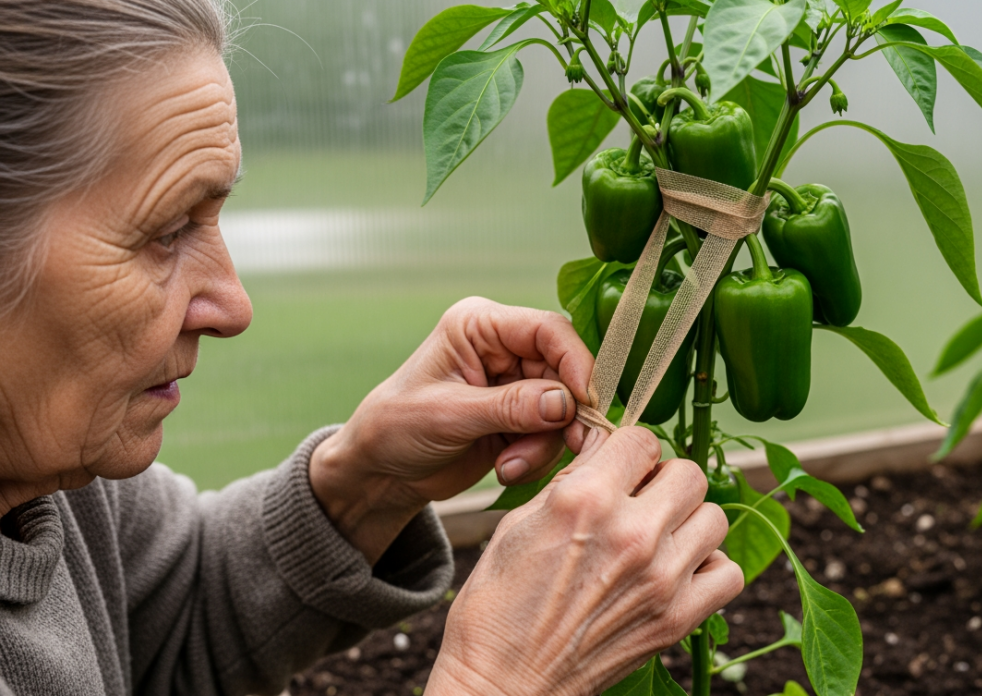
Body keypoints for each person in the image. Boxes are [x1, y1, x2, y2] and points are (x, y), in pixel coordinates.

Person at [0, 1, 744, 694]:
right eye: (165, 232)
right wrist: (495, 678)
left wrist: (362, 485)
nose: (234, 306)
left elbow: (163, 609)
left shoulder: (52, 477)